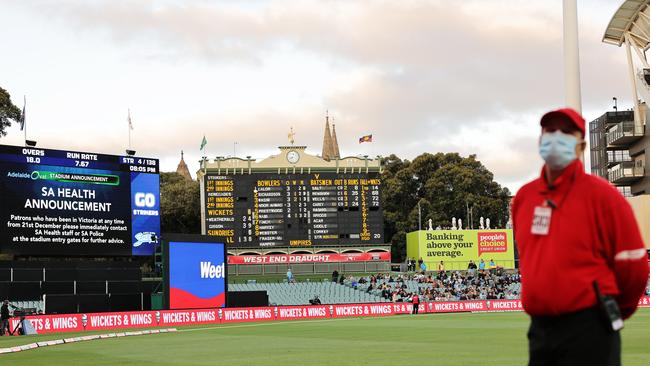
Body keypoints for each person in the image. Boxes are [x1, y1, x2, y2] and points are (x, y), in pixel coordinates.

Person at [512, 108, 649, 366]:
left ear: (581, 146)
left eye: (565, 132)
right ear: (540, 140)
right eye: (550, 131)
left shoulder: (604, 196)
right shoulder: (524, 198)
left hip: (590, 327)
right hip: (540, 329)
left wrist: (609, 311)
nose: (556, 136)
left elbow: (635, 267)